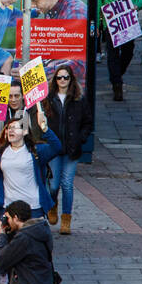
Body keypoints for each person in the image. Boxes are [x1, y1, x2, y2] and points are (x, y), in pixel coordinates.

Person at [43, 66, 93, 235]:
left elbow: (88, 122)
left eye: (65, 77)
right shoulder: (48, 99)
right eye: (59, 78)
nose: (62, 81)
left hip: (72, 148)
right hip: (55, 148)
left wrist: (81, 138)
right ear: (55, 80)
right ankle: (53, 204)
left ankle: (66, 219)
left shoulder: (79, 99)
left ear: (71, 79)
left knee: (67, 184)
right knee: (54, 184)